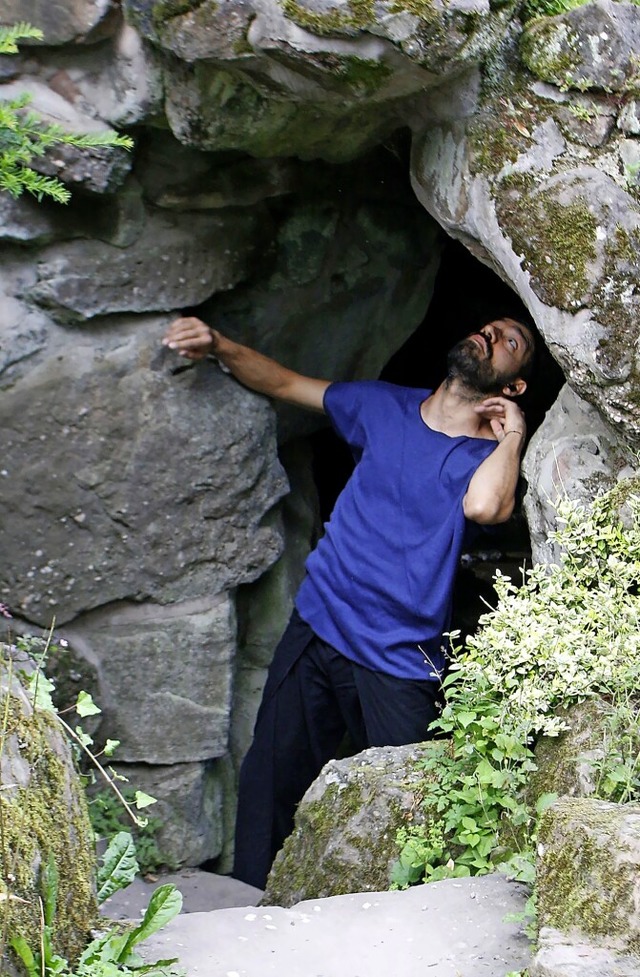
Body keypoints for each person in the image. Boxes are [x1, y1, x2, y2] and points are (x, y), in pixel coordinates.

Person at [162, 314, 535, 889]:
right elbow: (286, 384)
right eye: (490, 327)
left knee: (405, 811)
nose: (490, 334)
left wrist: (513, 433)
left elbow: (487, 508)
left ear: (512, 388)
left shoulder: (487, 459)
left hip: (399, 658)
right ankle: (252, 902)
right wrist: (217, 344)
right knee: (271, 775)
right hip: (320, 624)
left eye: (511, 341)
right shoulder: (382, 406)